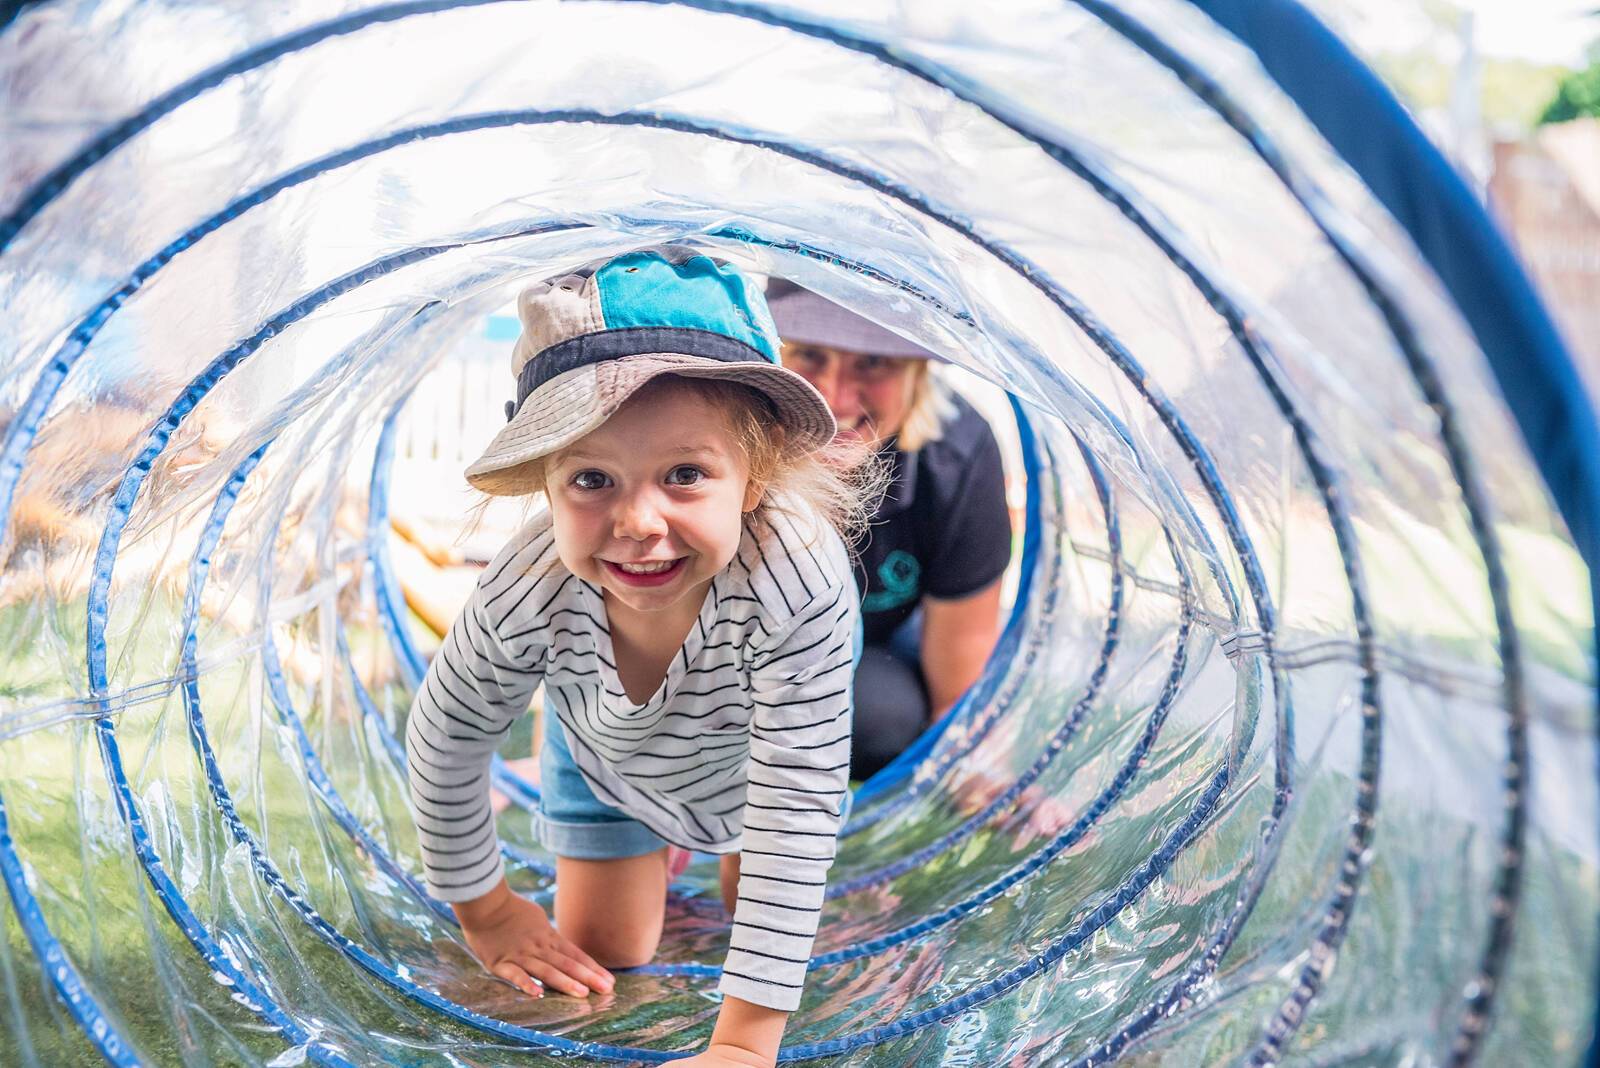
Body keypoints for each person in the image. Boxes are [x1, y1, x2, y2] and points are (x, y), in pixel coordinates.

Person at [405, 249, 877, 1068]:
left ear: (755, 476)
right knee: (607, 955)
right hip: (602, 757)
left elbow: (793, 802)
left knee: (755, 895)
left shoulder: (794, 580)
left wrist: (743, 1045)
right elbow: (445, 736)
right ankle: (656, 838)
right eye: (592, 478)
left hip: (749, 758)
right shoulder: (531, 588)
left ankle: (711, 842)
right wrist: (486, 910)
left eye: (685, 475)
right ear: (544, 488)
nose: (639, 521)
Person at [767, 280, 1012, 779]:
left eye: (873, 361)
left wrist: (981, 777)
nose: (832, 396)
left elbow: (958, 696)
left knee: (885, 719)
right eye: (810, 354)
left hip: (884, 640)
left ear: (917, 374)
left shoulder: (958, 457)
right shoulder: (726, 434)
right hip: (742, 645)